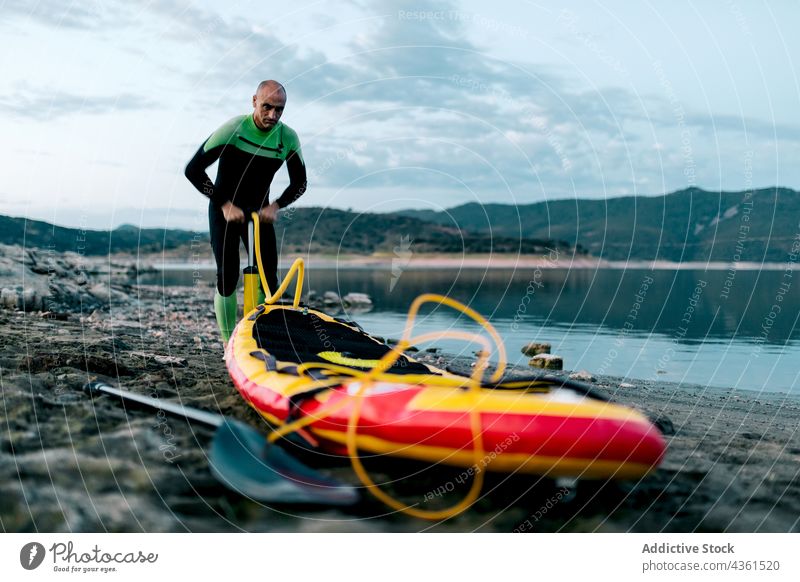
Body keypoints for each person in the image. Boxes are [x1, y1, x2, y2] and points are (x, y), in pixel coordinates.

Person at [185, 80, 307, 343]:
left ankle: (260, 339)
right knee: (228, 276)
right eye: (267, 107)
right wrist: (225, 204)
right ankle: (229, 342)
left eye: (279, 110)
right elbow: (193, 170)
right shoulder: (234, 129)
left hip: (259, 214)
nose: (273, 115)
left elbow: (300, 183)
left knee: (268, 281)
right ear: (254, 101)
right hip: (224, 212)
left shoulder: (287, 137)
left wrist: (275, 206)